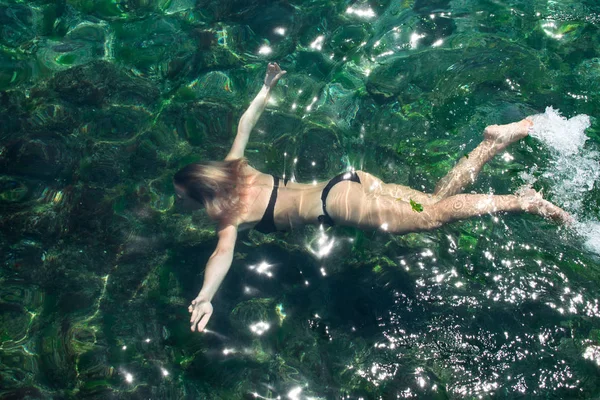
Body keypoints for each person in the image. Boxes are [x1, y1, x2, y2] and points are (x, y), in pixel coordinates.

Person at [173, 63, 570, 333]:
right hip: (351, 182)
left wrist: (205, 295)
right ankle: (490, 143)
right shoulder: (234, 166)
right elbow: (246, 123)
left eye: (183, 199)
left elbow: (220, 256)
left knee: (431, 218)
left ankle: (522, 201)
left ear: (201, 193)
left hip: (341, 204)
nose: (182, 205)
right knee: (430, 202)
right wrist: (265, 86)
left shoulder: (227, 217)